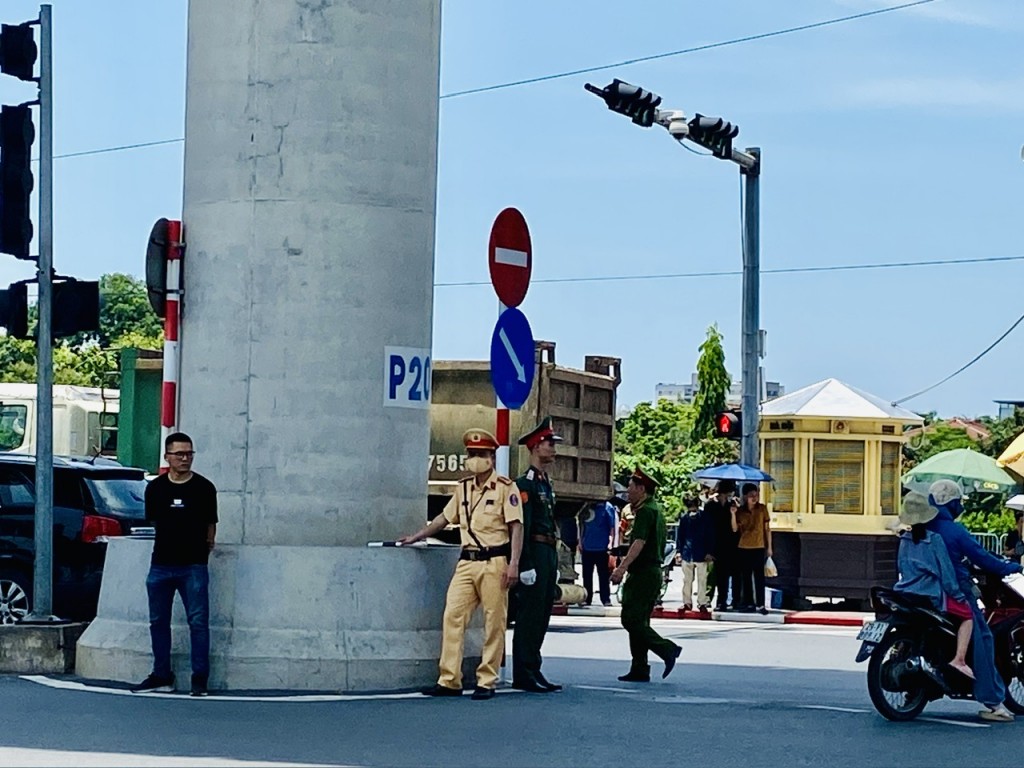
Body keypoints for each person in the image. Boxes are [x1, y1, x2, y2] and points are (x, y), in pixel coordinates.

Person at [398, 428, 523, 701]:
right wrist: (418, 536)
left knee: (494, 622)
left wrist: (514, 564)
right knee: (453, 616)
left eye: (481, 454)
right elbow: (444, 519)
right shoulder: (464, 488)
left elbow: (516, 527)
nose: (475, 459)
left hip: (495, 561)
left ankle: (486, 680)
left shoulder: (505, 488)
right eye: (472, 454)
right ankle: (449, 679)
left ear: (491, 457)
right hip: (467, 561)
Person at [925, 479, 1023, 722]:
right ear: (952, 504)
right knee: (984, 639)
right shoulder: (955, 531)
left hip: (921, 591)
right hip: (954, 592)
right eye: (958, 502)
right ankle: (993, 701)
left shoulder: (919, 527)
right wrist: (1009, 566)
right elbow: (983, 558)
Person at [132, 432, 218, 697]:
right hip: (160, 564)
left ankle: (199, 678)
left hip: (193, 565)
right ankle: (161, 675)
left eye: (189, 454)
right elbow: (155, 522)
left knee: (198, 622)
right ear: (167, 456)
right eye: (179, 454)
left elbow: (210, 528)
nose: (185, 458)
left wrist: (203, 550)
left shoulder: (204, 488)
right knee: (158, 621)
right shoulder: (156, 488)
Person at [611, 468, 682, 682]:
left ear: (642, 489)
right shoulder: (655, 509)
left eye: (631, 487)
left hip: (643, 572)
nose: (628, 492)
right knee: (640, 621)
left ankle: (667, 649)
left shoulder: (645, 512)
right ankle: (640, 667)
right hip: (650, 572)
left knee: (630, 619)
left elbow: (638, 543)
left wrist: (621, 568)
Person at [894, 492, 974, 680]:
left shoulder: (904, 539)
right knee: (968, 615)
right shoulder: (934, 539)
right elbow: (946, 574)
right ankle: (959, 660)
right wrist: (959, 595)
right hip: (930, 595)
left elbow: (901, 566)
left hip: (904, 591)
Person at [512, 416, 562, 693]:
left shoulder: (545, 483)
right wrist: (525, 564)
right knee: (529, 616)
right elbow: (525, 526)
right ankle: (523, 672)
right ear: (534, 446)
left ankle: (534, 667)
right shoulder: (525, 485)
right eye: (548, 443)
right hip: (534, 551)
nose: (553, 448)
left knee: (542, 615)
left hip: (548, 552)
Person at [732, 483, 772, 614]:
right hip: (744, 546)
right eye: (751, 496)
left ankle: (761, 604)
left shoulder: (762, 509)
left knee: (759, 577)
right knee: (746, 576)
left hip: (759, 546)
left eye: (756, 495)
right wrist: (733, 514)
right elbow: (735, 529)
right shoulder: (741, 511)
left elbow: (767, 529)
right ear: (745, 497)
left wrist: (769, 547)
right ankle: (749, 603)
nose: (754, 498)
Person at [705, 480, 740, 611]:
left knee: (732, 574)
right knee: (719, 575)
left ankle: (731, 600)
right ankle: (720, 601)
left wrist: (734, 511)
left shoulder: (732, 506)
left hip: (731, 544)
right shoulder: (710, 506)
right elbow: (707, 528)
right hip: (716, 544)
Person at [675, 497, 713, 613]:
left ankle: (702, 602)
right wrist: (678, 551)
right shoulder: (684, 519)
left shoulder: (705, 518)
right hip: (687, 552)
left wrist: (709, 552)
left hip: (701, 553)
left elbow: (710, 535)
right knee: (687, 580)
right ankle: (687, 602)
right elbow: (680, 536)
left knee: (702, 580)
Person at [580, 500, 616, 606]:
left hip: (602, 547)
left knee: (603, 575)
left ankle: (605, 599)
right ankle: (587, 598)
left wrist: (611, 544)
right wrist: (580, 541)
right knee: (586, 575)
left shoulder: (607, 507)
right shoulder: (585, 506)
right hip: (587, 547)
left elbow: (612, 527)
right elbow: (582, 524)